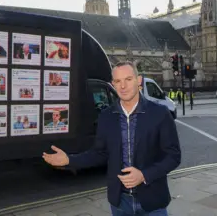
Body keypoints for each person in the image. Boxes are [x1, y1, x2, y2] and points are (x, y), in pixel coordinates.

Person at [42, 61, 181, 215]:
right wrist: (70, 160)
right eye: (117, 81)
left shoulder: (160, 114)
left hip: (153, 201)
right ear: (112, 84)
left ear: (138, 80)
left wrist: (144, 175)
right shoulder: (106, 116)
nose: (123, 86)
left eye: (128, 79)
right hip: (120, 202)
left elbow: (173, 156)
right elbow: (99, 153)